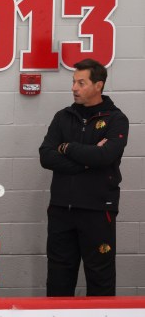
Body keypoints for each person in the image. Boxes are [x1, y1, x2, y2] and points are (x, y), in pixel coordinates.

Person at [39, 58, 129, 296]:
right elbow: (46, 156)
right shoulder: (63, 117)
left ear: (98, 85)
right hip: (61, 210)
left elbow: (106, 156)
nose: (74, 88)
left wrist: (67, 148)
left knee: (101, 278)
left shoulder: (116, 119)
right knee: (58, 277)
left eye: (81, 82)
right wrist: (88, 162)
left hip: (98, 211)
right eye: (73, 82)